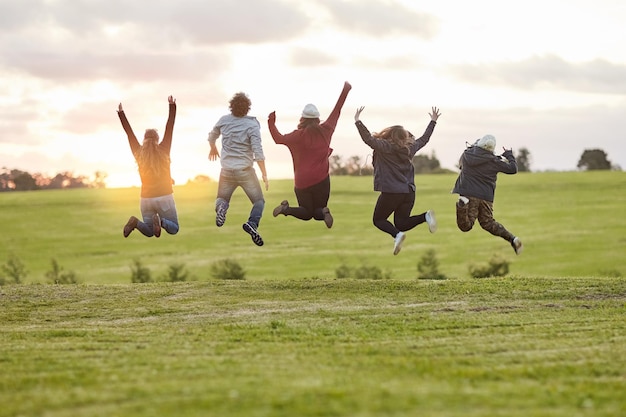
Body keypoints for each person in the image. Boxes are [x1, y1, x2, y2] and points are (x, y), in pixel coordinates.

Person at [354, 106, 440, 255]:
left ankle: (397, 235)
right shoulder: (410, 149)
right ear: (403, 137)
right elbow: (424, 139)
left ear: (390, 134)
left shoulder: (385, 147)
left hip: (392, 192)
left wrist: (358, 121)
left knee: (378, 219)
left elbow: (368, 139)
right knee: (401, 223)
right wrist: (433, 121)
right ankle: (425, 216)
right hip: (409, 193)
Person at [268, 81, 352, 228]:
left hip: (302, 181)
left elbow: (278, 139)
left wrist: (271, 123)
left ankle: (286, 209)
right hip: (321, 179)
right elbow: (337, 110)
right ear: (317, 118)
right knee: (318, 212)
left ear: (302, 118)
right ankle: (325, 212)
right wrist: (345, 90)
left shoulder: (297, 136)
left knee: (306, 212)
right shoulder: (326, 130)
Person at [208, 92, 268, 246]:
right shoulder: (252, 125)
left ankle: (222, 208)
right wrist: (264, 174)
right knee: (259, 201)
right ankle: (252, 224)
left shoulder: (224, 120)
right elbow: (258, 152)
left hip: (226, 170)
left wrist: (212, 147)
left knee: (221, 199)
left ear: (231, 106)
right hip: (245, 171)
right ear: (247, 108)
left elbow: (212, 136)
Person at [117, 95, 179, 238]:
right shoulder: (164, 149)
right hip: (164, 196)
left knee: (150, 232)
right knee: (174, 228)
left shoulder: (138, 153)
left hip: (146, 198)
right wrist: (172, 106)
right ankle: (162, 222)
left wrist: (121, 114)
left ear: (144, 140)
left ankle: (135, 222)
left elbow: (129, 133)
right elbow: (170, 127)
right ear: (157, 140)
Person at [452, 135, 523, 254]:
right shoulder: (494, 161)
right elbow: (513, 169)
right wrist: (509, 154)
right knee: (488, 223)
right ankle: (512, 239)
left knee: (466, 226)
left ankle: (462, 204)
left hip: (469, 194)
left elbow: (460, 165)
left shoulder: (467, 155)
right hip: (486, 197)